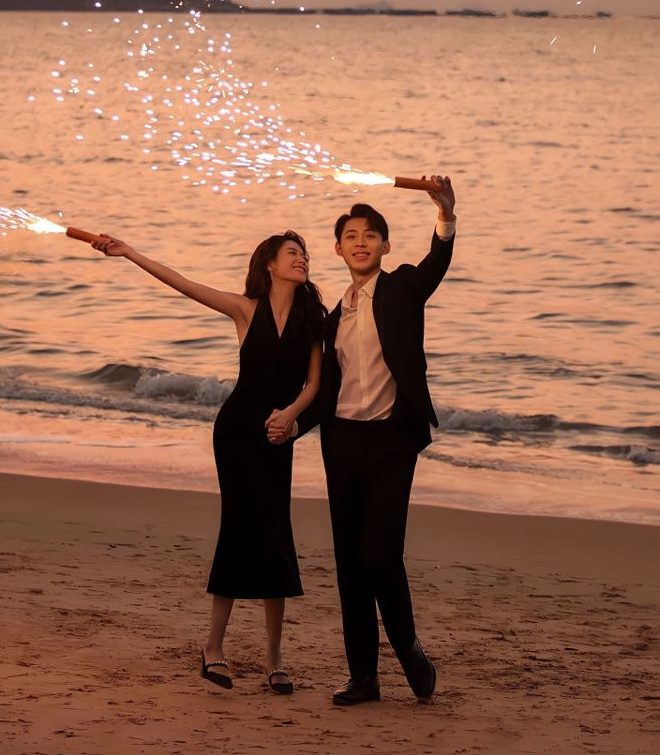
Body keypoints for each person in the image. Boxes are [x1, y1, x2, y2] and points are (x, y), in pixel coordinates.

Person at [91, 229, 326, 695]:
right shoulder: (245, 309)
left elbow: (314, 385)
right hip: (237, 432)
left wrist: (292, 417)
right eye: (292, 254)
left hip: (277, 435)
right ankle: (212, 647)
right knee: (240, 530)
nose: (302, 260)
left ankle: (274, 658)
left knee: (277, 534)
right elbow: (183, 284)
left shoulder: (311, 322)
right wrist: (130, 252)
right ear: (270, 266)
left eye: (304, 255)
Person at [271, 175, 455, 705]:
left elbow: (436, 263)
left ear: (385, 245)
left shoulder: (401, 289)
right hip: (343, 444)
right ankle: (363, 677)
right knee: (350, 562)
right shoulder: (331, 319)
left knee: (380, 554)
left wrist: (444, 212)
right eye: (351, 235)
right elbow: (324, 392)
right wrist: (291, 426)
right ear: (337, 248)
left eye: (371, 235)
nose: (361, 242)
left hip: (392, 443)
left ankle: (411, 651)